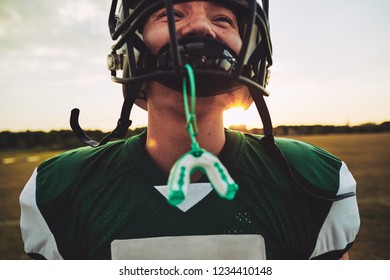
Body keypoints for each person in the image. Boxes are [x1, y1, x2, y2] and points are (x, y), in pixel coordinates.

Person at [19, 0, 360, 260]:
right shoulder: (61, 189)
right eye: (173, 14)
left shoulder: (314, 182)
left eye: (222, 19)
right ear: (130, 49)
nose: (200, 28)